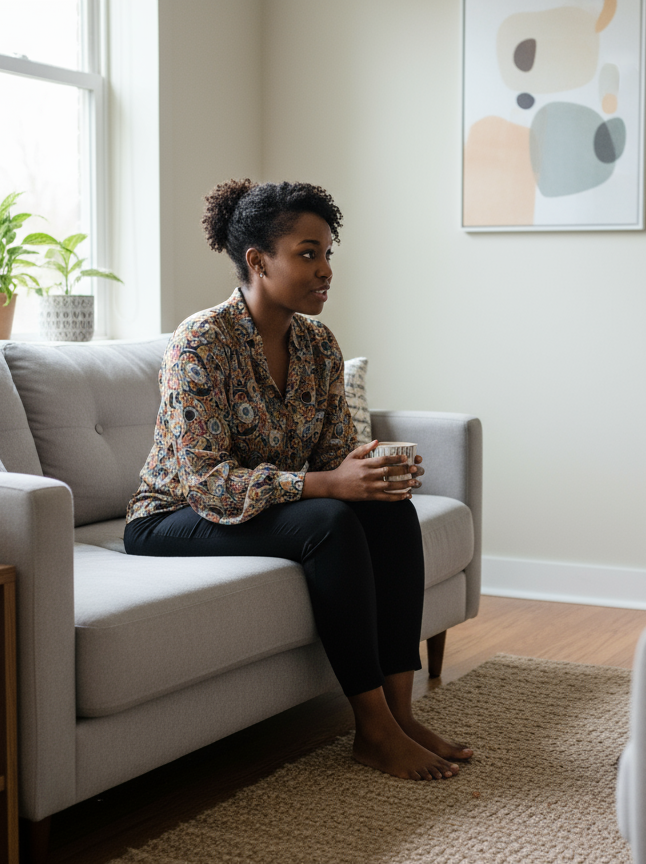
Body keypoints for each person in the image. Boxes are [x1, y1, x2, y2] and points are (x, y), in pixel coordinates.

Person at [124, 179, 472, 779]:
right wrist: (329, 487)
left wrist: (371, 470)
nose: (325, 270)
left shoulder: (318, 346)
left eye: (328, 253)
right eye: (308, 253)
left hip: (255, 503)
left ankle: (400, 711)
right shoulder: (201, 344)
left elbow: (333, 453)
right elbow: (206, 482)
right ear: (258, 262)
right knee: (330, 521)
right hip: (173, 515)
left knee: (390, 510)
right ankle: (372, 729)